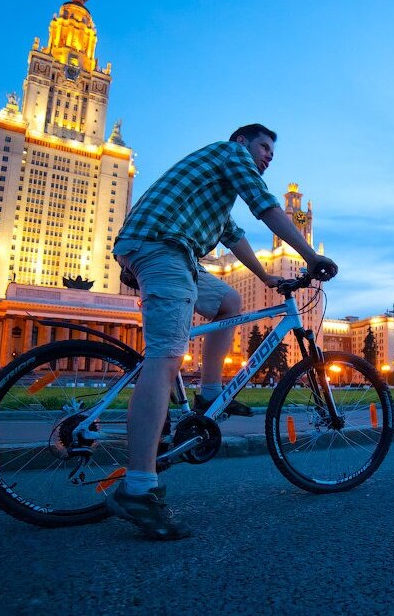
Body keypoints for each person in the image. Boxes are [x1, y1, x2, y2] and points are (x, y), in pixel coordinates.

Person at [107, 124, 338, 540]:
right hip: (161, 246)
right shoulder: (229, 155)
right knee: (166, 355)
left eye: (272, 151)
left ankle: (210, 393)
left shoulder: (216, 194)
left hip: (176, 251)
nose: (268, 156)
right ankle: (138, 488)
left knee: (230, 301)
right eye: (264, 147)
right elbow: (265, 207)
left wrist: (268, 276)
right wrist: (310, 255)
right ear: (242, 144)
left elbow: (234, 237)